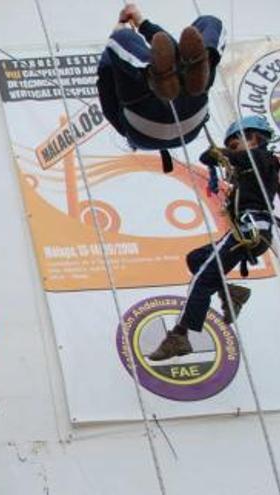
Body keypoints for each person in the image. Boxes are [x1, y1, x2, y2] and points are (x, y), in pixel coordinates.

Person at [149, 116, 279, 361]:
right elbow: (215, 159)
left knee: (202, 281)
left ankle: (180, 335)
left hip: (250, 233)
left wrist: (220, 153)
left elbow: (211, 157)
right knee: (196, 259)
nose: (233, 150)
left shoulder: (259, 158)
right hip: (244, 232)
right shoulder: (254, 166)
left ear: (252, 138)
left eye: (234, 144)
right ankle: (232, 293)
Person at [97, 3, 225, 151]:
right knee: (211, 23)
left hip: (146, 126)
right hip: (191, 112)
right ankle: (204, 59)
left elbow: (106, 92)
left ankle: (153, 71)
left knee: (119, 37)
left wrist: (120, 29)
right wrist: (144, 25)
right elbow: (173, 50)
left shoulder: (128, 130)